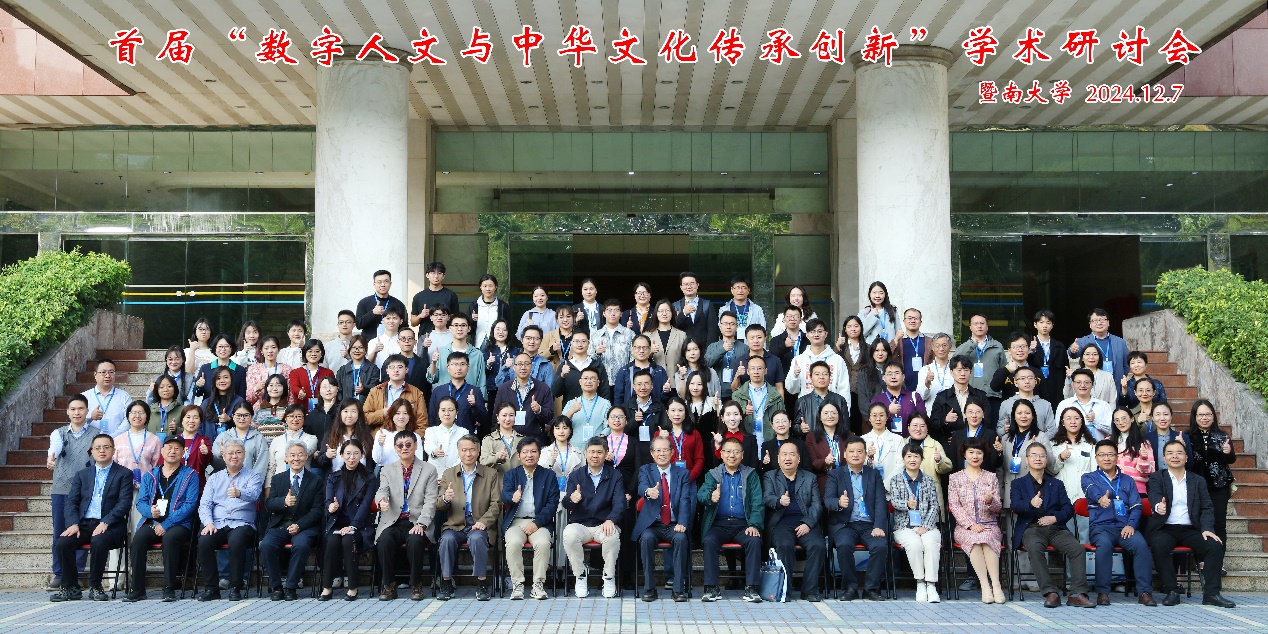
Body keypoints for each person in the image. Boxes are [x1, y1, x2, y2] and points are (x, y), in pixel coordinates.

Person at [1146, 439, 1235, 608]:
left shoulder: (1197, 480)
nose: (1175, 456)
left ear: (1186, 457)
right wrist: (1158, 506)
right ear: (1164, 458)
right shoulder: (1158, 477)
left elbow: (1207, 507)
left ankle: (1212, 594)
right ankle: (1172, 591)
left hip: (1191, 529)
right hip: (1164, 528)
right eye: (1170, 453)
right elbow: (1154, 494)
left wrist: (1207, 528)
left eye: (1179, 453)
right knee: (1159, 544)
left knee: (1214, 545)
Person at [1009, 441, 1095, 608]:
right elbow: (1015, 505)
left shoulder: (1056, 484)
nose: (1038, 458)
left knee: (1077, 549)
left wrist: (1055, 518)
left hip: (1055, 528)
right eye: (1034, 455)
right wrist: (1030, 503)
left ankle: (1077, 594)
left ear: (1047, 459)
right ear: (1027, 459)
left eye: (1042, 455)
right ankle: (1050, 592)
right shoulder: (1018, 484)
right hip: (1032, 528)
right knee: (1035, 548)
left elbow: (1068, 508)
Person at [49, 434, 131, 603]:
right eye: (97, 448)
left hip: (111, 525)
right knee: (63, 542)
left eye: (106, 447)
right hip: (84, 524)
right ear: (91, 451)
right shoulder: (82, 475)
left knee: (99, 540)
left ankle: (95, 586)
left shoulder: (124, 474)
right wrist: (73, 523)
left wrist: (106, 521)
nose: (102, 451)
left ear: (113, 450)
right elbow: (71, 502)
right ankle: (70, 587)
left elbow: (124, 503)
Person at [1081, 439, 1156, 606]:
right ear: (1096, 458)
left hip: (1124, 528)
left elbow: (1137, 506)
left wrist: (1131, 525)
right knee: (1104, 546)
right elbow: (1090, 489)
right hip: (1101, 528)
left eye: (1110, 454)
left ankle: (1144, 592)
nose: (1106, 458)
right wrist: (1100, 499)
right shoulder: (1088, 477)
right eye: (1102, 455)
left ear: (1117, 457)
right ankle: (1103, 592)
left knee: (1141, 546)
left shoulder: (1128, 480)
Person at [124, 436, 199, 602]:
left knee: (170, 539)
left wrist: (167, 524)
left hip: (179, 523)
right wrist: (150, 511)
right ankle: (137, 588)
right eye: (169, 448)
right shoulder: (150, 475)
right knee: (138, 540)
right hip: (153, 522)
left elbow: (190, 504)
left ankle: (169, 587)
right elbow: (141, 502)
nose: (173, 451)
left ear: (183, 452)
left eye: (177, 448)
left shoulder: (190, 475)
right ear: (162, 451)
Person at [435, 435, 502, 601]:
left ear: (478, 451)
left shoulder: (491, 473)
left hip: (479, 523)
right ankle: (446, 582)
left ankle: (481, 583)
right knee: (447, 540)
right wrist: (445, 499)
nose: (468, 453)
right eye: (464, 450)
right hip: (455, 524)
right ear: (458, 452)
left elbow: (496, 504)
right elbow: (439, 505)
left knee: (477, 539)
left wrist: (484, 522)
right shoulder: (449, 474)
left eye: (472, 449)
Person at [697, 436, 764, 602]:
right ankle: (712, 588)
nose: (731, 455)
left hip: (743, 525)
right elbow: (701, 494)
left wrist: (754, 524)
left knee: (754, 540)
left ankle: (751, 588)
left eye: (736, 452)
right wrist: (711, 497)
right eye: (727, 451)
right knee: (709, 540)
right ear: (721, 454)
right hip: (719, 524)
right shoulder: (713, 475)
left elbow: (757, 502)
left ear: (742, 454)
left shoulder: (751, 475)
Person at [374, 431, 439, 601]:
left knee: (415, 540)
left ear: (416, 446)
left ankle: (416, 585)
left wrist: (421, 524)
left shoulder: (429, 469)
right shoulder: (387, 470)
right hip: (394, 521)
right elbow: (382, 490)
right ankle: (389, 586)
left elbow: (431, 501)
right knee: (384, 541)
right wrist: (381, 501)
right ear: (395, 449)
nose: (404, 448)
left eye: (408, 444)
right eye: (400, 445)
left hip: (417, 520)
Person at [195, 439, 263, 601]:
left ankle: (235, 587)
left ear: (244, 455)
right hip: (217, 523)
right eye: (230, 453)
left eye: (238, 452)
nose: (234, 456)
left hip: (242, 523)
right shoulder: (214, 478)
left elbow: (255, 494)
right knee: (204, 541)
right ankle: (212, 589)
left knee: (237, 541)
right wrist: (208, 522)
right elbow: (205, 504)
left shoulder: (253, 476)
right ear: (224, 456)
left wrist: (240, 493)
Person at [824, 436, 888, 601]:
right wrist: (839, 502)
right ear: (845, 454)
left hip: (869, 525)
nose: (855, 455)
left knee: (880, 546)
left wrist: (879, 525)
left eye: (860, 451)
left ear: (865, 454)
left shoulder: (873, 474)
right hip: (845, 524)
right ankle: (849, 588)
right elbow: (827, 500)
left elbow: (880, 502)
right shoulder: (835, 474)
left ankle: (871, 589)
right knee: (844, 545)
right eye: (851, 451)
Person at [46, 395, 99, 590]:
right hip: (61, 489)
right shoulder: (59, 433)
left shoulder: (96, 434)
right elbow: (55, 448)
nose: (77, 413)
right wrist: (50, 457)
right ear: (67, 412)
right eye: (73, 409)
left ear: (87, 411)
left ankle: (76, 573)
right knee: (60, 533)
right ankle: (60, 574)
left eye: (81, 409)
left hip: (86, 491)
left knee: (79, 532)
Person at [634, 436, 696, 602]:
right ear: (652, 453)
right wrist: (648, 492)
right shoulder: (645, 470)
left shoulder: (682, 473)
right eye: (658, 450)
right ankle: (649, 588)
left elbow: (685, 500)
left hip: (674, 524)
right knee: (646, 539)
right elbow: (641, 486)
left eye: (665, 450)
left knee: (681, 539)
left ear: (672, 452)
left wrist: (682, 522)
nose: (662, 454)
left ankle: (678, 589)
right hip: (652, 524)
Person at [563, 436, 625, 598]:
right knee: (569, 535)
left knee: (612, 536)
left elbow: (620, 503)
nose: (595, 456)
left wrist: (611, 519)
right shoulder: (576, 475)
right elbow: (566, 502)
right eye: (591, 452)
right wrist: (572, 499)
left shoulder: (615, 475)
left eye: (599, 452)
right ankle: (580, 575)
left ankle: (609, 577)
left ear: (606, 454)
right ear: (585, 453)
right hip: (580, 524)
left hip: (604, 523)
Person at [260, 442, 323, 600]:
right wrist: (284, 501)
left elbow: (317, 510)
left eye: (300, 454)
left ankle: (291, 587)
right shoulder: (277, 479)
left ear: (306, 457)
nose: (296, 458)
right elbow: (269, 503)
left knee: (301, 545)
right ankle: (276, 587)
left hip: (305, 527)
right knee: (266, 545)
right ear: (286, 458)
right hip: (281, 525)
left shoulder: (316, 480)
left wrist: (300, 525)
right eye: (292, 455)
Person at [763, 442, 825, 602]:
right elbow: (767, 497)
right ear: (778, 458)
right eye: (784, 454)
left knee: (818, 545)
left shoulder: (810, 477)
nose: (788, 458)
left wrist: (808, 523)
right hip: (781, 523)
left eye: (792, 454)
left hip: (805, 522)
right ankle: (785, 589)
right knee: (784, 545)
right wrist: (778, 501)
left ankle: (809, 590)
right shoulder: (770, 476)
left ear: (798, 458)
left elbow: (817, 504)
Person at [948, 436, 1005, 604]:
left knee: (987, 538)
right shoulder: (955, 478)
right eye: (971, 452)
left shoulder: (991, 477)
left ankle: (996, 585)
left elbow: (997, 507)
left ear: (984, 455)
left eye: (979, 452)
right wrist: (971, 525)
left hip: (989, 525)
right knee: (975, 539)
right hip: (965, 528)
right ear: (964, 454)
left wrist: (990, 500)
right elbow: (954, 505)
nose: (975, 456)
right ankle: (985, 586)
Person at [319, 439, 377, 601]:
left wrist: (353, 526)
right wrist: (331, 507)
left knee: (348, 540)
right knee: (332, 540)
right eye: (348, 454)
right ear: (342, 455)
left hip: (359, 525)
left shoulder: (370, 477)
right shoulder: (334, 477)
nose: (352, 457)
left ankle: (352, 587)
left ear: (362, 455)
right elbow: (328, 501)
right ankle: (327, 587)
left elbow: (366, 504)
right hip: (337, 524)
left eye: (356, 453)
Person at [503, 437, 558, 600]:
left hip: (540, 521)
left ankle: (538, 585)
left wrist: (537, 523)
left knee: (543, 543)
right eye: (525, 452)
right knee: (513, 543)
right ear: (518, 456)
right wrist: (512, 497)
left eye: (533, 451)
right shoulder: (511, 475)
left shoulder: (549, 475)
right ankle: (517, 585)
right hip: (516, 521)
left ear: (539, 454)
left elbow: (552, 504)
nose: (529, 455)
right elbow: (504, 495)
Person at [888, 442, 943, 603]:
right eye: (909, 456)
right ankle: (920, 583)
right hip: (904, 527)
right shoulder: (896, 480)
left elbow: (934, 505)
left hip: (927, 526)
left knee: (931, 543)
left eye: (916, 456)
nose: (912, 460)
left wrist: (926, 526)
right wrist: (907, 504)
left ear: (922, 459)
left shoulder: (928, 480)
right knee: (915, 544)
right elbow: (894, 502)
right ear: (903, 459)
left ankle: (931, 585)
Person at [1188, 399, 1235, 543]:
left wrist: (1228, 452)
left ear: (1213, 416)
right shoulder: (1187, 436)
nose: (1204, 418)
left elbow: (1231, 460)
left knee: (1219, 524)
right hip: (1196, 486)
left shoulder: (1223, 436)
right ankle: (1202, 556)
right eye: (1200, 415)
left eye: (1208, 414)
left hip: (1219, 486)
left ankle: (1219, 556)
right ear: (1195, 417)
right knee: (1197, 523)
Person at [1051, 407, 1098, 539]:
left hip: (1084, 496)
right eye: (1069, 418)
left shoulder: (1090, 444)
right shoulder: (1054, 444)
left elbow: (1094, 472)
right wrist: (1060, 458)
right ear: (1062, 422)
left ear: (1082, 421)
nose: (1073, 422)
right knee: (1068, 537)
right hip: (1063, 496)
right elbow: (1051, 470)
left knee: (1085, 535)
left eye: (1076, 418)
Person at [954, 314, 1007, 419]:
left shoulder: (997, 346)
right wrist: (972, 344)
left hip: (993, 395)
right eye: (976, 324)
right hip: (971, 395)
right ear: (970, 327)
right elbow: (955, 361)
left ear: (987, 326)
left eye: (982, 323)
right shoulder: (964, 347)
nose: (979, 326)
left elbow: (1003, 370)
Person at [493, 352, 554, 439]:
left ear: (531, 366)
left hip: (534, 439)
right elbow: (495, 417)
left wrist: (539, 410)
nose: (523, 367)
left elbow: (549, 416)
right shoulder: (504, 389)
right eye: (519, 364)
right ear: (514, 367)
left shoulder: (543, 388)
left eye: (526, 364)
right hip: (509, 439)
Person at [786, 319, 849, 402]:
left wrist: (844, 409)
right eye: (812, 331)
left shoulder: (837, 360)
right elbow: (791, 390)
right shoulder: (799, 360)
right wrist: (794, 376)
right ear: (807, 335)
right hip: (807, 406)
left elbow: (844, 389)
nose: (816, 334)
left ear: (826, 334)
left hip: (831, 407)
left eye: (820, 331)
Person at [1068, 308, 1129, 389]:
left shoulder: (1120, 342)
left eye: (1102, 320)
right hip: (1092, 387)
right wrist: (1072, 350)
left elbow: (1126, 365)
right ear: (1090, 324)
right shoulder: (1083, 341)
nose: (1099, 323)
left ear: (1108, 323)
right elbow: (1073, 355)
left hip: (1116, 386)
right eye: (1095, 320)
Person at [363, 354, 428, 431]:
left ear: (406, 370)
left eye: (400, 367)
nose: (396, 370)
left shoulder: (416, 393)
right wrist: (382, 414)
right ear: (387, 371)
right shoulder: (375, 391)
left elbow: (422, 422)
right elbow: (364, 418)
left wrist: (412, 437)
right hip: (382, 435)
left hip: (406, 435)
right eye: (392, 367)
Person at [428, 351, 488, 433]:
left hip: (466, 438)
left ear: (468, 368)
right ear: (448, 368)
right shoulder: (438, 391)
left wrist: (474, 405)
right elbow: (432, 417)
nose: (459, 368)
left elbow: (484, 420)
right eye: (455, 364)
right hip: (442, 437)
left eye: (462, 364)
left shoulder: (475, 391)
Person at [905, 414, 953, 515]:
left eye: (922, 426)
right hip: (907, 494)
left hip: (930, 495)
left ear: (927, 428)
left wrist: (939, 460)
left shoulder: (935, 444)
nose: (918, 429)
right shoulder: (902, 444)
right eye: (915, 425)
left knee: (931, 521)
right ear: (908, 427)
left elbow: (947, 467)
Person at [314, 399, 376, 474]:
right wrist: (327, 456)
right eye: (346, 411)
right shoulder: (331, 435)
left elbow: (372, 462)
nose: (349, 415)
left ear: (359, 414)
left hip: (362, 479)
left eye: (353, 411)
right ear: (340, 413)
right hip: (336, 479)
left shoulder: (366, 436)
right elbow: (320, 461)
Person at [211, 402, 269, 481]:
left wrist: (253, 484)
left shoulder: (259, 438)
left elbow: (261, 466)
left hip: (250, 484)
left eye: (246, 415)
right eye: (238, 415)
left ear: (252, 417)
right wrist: (220, 454)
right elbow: (214, 463)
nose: (242, 419)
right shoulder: (223, 437)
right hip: (226, 483)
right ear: (233, 416)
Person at [732, 355, 784, 443]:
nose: (756, 372)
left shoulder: (776, 396)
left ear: (766, 371)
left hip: (769, 439)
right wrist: (743, 412)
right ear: (748, 371)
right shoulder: (737, 395)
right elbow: (731, 420)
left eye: (760, 368)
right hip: (745, 441)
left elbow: (782, 419)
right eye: (752, 368)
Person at [996, 366, 1056, 439]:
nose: (1027, 381)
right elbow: (999, 429)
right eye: (1022, 378)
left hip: (1039, 444)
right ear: (1015, 382)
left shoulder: (1045, 404)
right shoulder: (1006, 404)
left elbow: (1052, 430)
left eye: (1030, 378)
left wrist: (1039, 440)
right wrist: (1004, 430)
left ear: (1035, 381)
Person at [793, 361, 850, 437]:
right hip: (811, 441)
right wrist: (800, 428)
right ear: (811, 377)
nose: (821, 377)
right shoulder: (802, 402)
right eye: (817, 374)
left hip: (835, 441)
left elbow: (846, 426)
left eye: (825, 374)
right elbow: (795, 427)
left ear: (830, 377)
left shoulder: (840, 400)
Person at [554, 330, 611, 406]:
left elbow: (605, 392)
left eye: (583, 341)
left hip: (594, 410)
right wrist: (562, 376)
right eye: (576, 341)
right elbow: (556, 393)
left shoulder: (597, 365)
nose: (580, 344)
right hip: (571, 410)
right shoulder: (564, 366)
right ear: (571, 343)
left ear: (589, 343)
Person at [727, 324, 786, 397]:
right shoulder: (740, 361)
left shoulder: (775, 360)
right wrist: (737, 375)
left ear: (765, 339)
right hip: (746, 402)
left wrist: (780, 404)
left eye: (759, 337)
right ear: (747, 340)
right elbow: (734, 390)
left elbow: (779, 388)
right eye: (752, 338)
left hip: (770, 401)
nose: (756, 341)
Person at [869, 360, 924, 438]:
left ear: (903, 377)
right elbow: (871, 422)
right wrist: (888, 412)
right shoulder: (877, 400)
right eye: (889, 374)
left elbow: (923, 420)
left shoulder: (914, 397)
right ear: (884, 377)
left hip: (910, 441)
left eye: (897, 373)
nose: (893, 377)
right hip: (886, 442)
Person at [1056, 369, 1113, 439]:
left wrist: (1095, 421)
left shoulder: (1103, 405)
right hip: (1072, 445)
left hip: (1099, 445)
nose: (1082, 385)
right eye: (1078, 382)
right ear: (1072, 384)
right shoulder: (1064, 405)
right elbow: (1058, 429)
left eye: (1086, 382)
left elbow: (1111, 430)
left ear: (1092, 384)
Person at [804, 400, 847, 495]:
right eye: (826, 413)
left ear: (839, 416)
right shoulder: (811, 437)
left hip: (846, 482)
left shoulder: (849, 436)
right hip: (823, 484)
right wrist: (825, 461)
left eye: (833, 413)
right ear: (820, 416)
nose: (830, 416)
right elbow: (812, 463)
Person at [613, 335, 669, 406]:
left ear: (650, 349)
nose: (641, 351)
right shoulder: (624, 371)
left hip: (654, 411)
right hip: (629, 411)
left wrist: (666, 392)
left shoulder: (659, 371)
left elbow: (665, 400)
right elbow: (618, 397)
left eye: (644, 348)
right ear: (632, 349)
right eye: (638, 347)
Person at [1028, 310, 1069, 406]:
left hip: (1055, 390)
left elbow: (1065, 369)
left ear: (1052, 325)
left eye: (1048, 322)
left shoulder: (1059, 346)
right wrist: (1031, 351)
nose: (1045, 326)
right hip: (1035, 389)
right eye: (1041, 322)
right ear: (1035, 324)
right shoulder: (1029, 346)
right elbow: (1025, 364)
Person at [660, 397, 706, 482]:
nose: (677, 414)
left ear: (685, 412)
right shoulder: (660, 434)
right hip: (666, 481)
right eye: (673, 410)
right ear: (667, 413)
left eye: (680, 410)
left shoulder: (694, 434)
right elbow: (656, 458)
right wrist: (661, 439)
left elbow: (699, 459)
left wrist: (689, 478)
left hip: (689, 480)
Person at [889, 308, 935, 392]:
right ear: (904, 321)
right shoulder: (898, 341)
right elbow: (888, 357)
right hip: (902, 388)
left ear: (921, 322)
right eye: (909, 318)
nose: (913, 321)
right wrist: (895, 339)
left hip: (925, 387)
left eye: (916, 318)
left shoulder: (929, 342)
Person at [83, 359, 132, 437]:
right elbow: (76, 420)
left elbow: (128, 419)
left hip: (117, 440)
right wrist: (90, 417)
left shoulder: (124, 396)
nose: (107, 376)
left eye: (111, 372)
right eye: (103, 372)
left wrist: (113, 437)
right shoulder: (84, 397)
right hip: (90, 441)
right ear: (95, 374)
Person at [1110, 408, 1155, 494]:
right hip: (1113, 489)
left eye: (1124, 418)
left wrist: (1143, 459)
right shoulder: (1109, 442)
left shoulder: (1144, 443)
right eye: (1117, 420)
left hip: (1137, 490)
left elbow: (1149, 472)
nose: (1121, 422)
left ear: (1132, 419)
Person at [562, 367, 612, 443]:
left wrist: (600, 439)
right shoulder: (571, 403)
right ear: (580, 382)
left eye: (593, 379)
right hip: (574, 447)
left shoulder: (605, 404)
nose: (588, 381)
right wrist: (572, 411)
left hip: (596, 447)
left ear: (598, 382)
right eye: (585, 378)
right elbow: (561, 424)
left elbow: (609, 426)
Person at [949, 399, 1000, 473]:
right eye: (970, 412)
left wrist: (998, 452)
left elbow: (995, 464)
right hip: (961, 478)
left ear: (983, 414)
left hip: (983, 477)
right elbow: (953, 461)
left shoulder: (991, 435)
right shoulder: (957, 435)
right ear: (965, 414)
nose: (974, 415)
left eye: (977, 412)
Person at [860, 403, 905, 485]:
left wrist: (886, 484)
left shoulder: (898, 439)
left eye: (881, 415)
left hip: (892, 486)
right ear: (869, 418)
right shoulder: (862, 440)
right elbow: (858, 465)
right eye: (874, 415)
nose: (878, 419)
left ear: (887, 417)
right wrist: (869, 458)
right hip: (869, 486)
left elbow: (901, 464)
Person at [768, 306, 809, 394]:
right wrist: (784, 346)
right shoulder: (776, 340)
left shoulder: (808, 339)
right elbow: (771, 359)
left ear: (801, 320)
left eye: (796, 316)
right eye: (789, 316)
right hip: (783, 383)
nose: (792, 319)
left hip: (805, 382)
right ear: (784, 320)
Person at [355, 269, 408, 338]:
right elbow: (358, 325)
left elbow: (404, 327)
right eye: (379, 282)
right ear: (374, 284)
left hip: (392, 341)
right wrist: (373, 313)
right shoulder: (364, 302)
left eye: (386, 281)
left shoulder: (399, 304)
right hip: (369, 342)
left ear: (390, 284)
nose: (383, 285)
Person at [410, 261, 460, 332]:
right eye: (432, 273)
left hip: (446, 335)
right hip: (425, 336)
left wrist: (445, 316)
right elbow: (413, 323)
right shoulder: (418, 297)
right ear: (427, 275)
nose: (436, 276)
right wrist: (420, 316)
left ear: (443, 276)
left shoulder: (451, 295)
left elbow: (456, 319)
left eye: (439, 273)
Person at [193, 336, 248, 402]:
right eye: (220, 346)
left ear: (231, 348)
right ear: (215, 348)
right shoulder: (205, 369)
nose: (223, 349)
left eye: (226, 346)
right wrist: (199, 386)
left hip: (233, 407)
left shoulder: (240, 370)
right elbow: (197, 393)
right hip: (210, 406)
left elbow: (242, 396)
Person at [853, 339, 892, 429]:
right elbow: (862, 401)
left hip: (893, 418)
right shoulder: (864, 372)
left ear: (888, 352)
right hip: (870, 421)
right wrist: (873, 418)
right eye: (877, 350)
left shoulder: (894, 370)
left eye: (883, 350)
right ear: (872, 353)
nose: (880, 353)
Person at [267, 406, 317, 476]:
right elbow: (271, 467)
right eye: (291, 416)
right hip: (279, 481)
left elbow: (305, 452)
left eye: (299, 416)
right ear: (286, 419)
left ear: (304, 419)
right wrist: (269, 483)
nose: (295, 419)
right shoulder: (276, 440)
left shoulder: (311, 439)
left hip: (303, 481)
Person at [710, 401, 759, 471]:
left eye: (736, 414)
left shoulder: (751, 439)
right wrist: (718, 446)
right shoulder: (717, 440)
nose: (732, 418)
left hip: (747, 477)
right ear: (722, 418)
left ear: (741, 416)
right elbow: (716, 467)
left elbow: (754, 466)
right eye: (728, 414)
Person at [172, 405, 213, 489]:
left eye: (196, 418)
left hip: (195, 486)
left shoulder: (203, 441)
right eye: (188, 417)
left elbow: (206, 462)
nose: (191, 421)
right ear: (182, 420)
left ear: (200, 421)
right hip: (175, 485)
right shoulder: (174, 440)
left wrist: (205, 453)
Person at [672, 272, 718, 344]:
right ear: (681, 287)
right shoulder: (675, 305)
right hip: (683, 347)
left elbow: (712, 330)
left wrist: (710, 348)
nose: (689, 287)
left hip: (703, 347)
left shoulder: (707, 304)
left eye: (692, 283)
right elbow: (672, 327)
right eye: (685, 284)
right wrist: (684, 313)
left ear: (697, 285)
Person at [704, 311, 741, 402]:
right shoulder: (713, 346)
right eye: (725, 324)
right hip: (716, 392)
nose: (728, 327)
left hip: (738, 392)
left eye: (732, 324)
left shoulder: (744, 348)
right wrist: (722, 350)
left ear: (736, 327)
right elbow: (706, 364)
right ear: (720, 326)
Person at [482, 403, 526, 477]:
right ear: (497, 417)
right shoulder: (488, 439)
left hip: (519, 481)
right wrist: (497, 457)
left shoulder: (523, 440)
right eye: (504, 415)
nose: (508, 419)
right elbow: (483, 462)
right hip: (497, 482)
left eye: (511, 415)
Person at [246, 337, 293, 406]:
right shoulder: (253, 369)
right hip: (260, 409)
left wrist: (289, 410)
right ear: (261, 351)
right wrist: (256, 388)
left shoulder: (287, 369)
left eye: (273, 347)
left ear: (278, 350)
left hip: (282, 408)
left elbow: (291, 396)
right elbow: (248, 398)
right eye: (266, 348)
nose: (270, 351)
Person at [199, 366, 244, 438]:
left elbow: (245, 424)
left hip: (232, 443)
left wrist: (229, 420)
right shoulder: (206, 403)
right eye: (218, 378)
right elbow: (199, 426)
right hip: (208, 444)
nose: (222, 381)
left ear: (231, 379)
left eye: (226, 377)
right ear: (214, 381)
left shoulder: (239, 401)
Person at [335, 335, 381, 403]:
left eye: (361, 347)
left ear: (366, 349)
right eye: (354, 347)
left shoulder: (373, 369)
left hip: (366, 407)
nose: (357, 350)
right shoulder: (342, 370)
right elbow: (339, 393)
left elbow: (376, 389)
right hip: (347, 408)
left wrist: (364, 389)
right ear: (350, 349)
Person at [915, 334, 955, 414]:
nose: (941, 349)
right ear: (932, 347)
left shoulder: (956, 369)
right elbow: (920, 397)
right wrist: (927, 383)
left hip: (953, 414)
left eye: (944, 345)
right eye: (937, 345)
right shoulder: (925, 370)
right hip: (932, 415)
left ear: (950, 347)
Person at [421, 397, 462, 472]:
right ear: (438, 412)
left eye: (450, 410)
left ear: (456, 412)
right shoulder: (431, 431)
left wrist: (451, 473)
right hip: (434, 474)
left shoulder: (463, 432)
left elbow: (463, 456)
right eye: (443, 410)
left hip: (456, 474)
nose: (447, 414)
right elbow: (429, 446)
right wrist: (435, 451)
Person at [469, 274, 509, 348]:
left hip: (498, 345)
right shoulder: (474, 305)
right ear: (480, 287)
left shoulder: (503, 306)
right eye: (484, 286)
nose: (488, 289)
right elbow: (468, 329)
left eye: (491, 286)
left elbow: (509, 327)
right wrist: (472, 320)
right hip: (478, 343)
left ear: (496, 287)